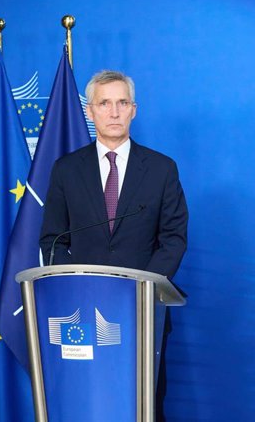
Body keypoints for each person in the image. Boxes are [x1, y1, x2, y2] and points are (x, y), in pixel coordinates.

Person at [39, 70, 188, 420]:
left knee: (143, 403)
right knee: (86, 401)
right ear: (90, 112)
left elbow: (173, 239)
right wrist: (74, 286)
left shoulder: (161, 169)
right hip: (82, 312)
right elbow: (52, 240)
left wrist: (140, 291)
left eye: (122, 103)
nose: (114, 112)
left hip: (142, 311)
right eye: (104, 103)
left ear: (134, 110)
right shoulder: (66, 169)